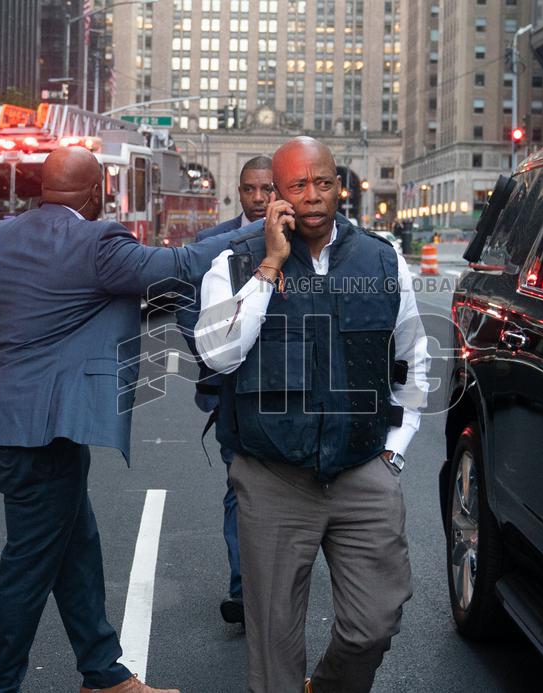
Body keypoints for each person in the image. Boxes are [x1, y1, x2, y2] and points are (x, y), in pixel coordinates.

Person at [0, 147, 241, 693]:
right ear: (97, 194)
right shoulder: (97, 243)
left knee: (77, 548)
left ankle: (103, 673)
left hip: (9, 418)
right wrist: (252, 230)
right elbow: (182, 266)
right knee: (29, 565)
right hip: (43, 431)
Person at [195, 137, 429, 692]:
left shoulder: (382, 258)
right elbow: (218, 354)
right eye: (297, 185)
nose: (313, 195)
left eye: (323, 182)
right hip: (272, 475)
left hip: (362, 468)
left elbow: (415, 357)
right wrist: (271, 265)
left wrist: (396, 450)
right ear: (275, 196)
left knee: (373, 624)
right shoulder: (235, 262)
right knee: (274, 644)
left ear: (339, 187)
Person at [176, 155, 273, 626]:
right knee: (241, 486)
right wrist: (212, 363)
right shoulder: (212, 243)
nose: (258, 198)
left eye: (267, 189)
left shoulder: (304, 241)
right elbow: (186, 311)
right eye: (249, 189)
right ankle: (244, 589)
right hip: (232, 391)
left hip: (287, 396)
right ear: (238, 192)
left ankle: (275, 581)